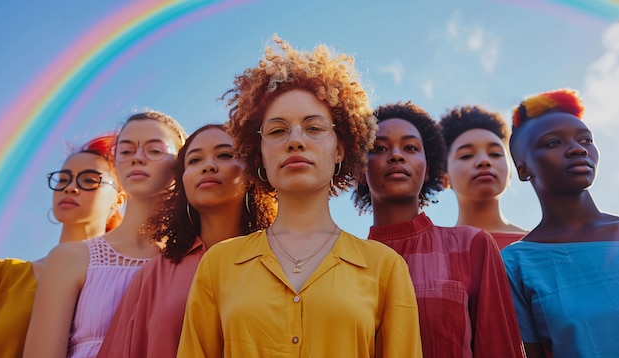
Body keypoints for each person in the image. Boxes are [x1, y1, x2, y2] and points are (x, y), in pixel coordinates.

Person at [177, 35, 422, 357]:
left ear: (340, 149)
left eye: (314, 127)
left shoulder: (385, 267)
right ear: (259, 152)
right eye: (278, 131)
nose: (295, 141)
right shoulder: (219, 264)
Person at [355, 101, 524, 357]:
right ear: (360, 169)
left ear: (428, 169)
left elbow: (499, 348)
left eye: (410, 147)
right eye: (379, 148)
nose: (397, 155)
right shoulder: (344, 263)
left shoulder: (472, 245)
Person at [97, 124, 277, 358]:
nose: (208, 166)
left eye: (224, 155)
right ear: (182, 182)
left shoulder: (280, 261)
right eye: (194, 160)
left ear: (252, 173)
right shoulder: (154, 274)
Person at [23, 110, 187, 358]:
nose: (137, 158)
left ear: (182, 165)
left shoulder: (195, 262)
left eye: (154, 150)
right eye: (126, 151)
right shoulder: (70, 258)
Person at [501, 88, 619, 357]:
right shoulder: (515, 263)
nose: (578, 149)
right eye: (553, 143)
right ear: (522, 168)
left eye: (586, 140)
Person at [0, 134, 124, 358]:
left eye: (90, 179)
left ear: (119, 200)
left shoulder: (128, 280)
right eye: (63, 178)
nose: (71, 187)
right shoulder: (3, 275)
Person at [439, 105, 527, 249]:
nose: (484, 161)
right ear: (444, 177)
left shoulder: (539, 246)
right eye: (466, 155)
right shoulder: (435, 251)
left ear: (511, 173)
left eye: (495, 154)